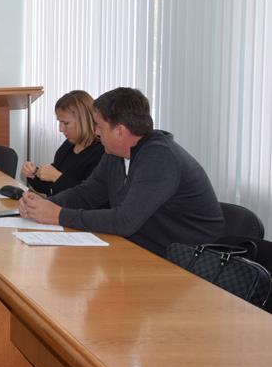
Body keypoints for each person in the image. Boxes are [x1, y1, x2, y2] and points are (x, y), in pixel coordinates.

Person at [19, 87, 225, 256]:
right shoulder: (116, 153)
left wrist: (59, 215)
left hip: (189, 260)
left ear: (120, 131)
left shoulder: (160, 157)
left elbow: (124, 221)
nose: (96, 133)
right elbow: (87, 193)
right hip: (145, 249)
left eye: (99, 127)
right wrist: (42, 205)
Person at [21, 90, 104, 196]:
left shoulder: (102, 152)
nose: (60, 129)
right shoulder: (68, 145)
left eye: (66, 123)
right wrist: (34, 174)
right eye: (59, 122)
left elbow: (90, 196)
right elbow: (50, 188)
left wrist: (56, 177)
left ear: (84, 120)